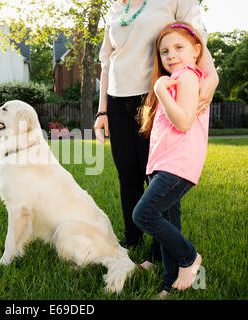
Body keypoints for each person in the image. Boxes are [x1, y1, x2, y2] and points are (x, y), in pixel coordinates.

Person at [95, 0, 218, 269]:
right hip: (117, 100)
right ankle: (133, 241)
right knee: (127, 174)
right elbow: (106, 62)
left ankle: (158, 253)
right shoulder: (116, 8)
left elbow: (197, 39)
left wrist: (212, 77)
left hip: (153, 94)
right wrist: (102, 111)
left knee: (156, 175)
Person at [132, 21, 212, 298]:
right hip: (163, 164)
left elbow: (184, 122)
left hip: (177, 166)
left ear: (196, 50)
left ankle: (189, 257)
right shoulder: (176, 79)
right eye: (164, 51)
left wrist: (161, 91)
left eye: (179, 47)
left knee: (143, 214)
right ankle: (169, 285)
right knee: (168, 226)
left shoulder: (188, 76)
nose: (170, 55)